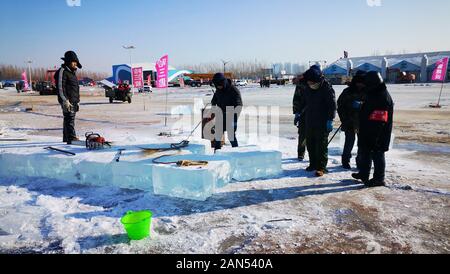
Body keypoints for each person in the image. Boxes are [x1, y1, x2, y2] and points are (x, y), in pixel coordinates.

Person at [352, 71, 394, 187]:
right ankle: (364, 174)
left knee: (377, 154)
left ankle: (379, 179)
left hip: (378, 133)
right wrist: (361, 105)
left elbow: (380, 120)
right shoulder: (374, 93)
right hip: (368, 129)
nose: (365, 86)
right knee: (365, 152)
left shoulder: (383, 97)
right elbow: (370, 107)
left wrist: (375, 136)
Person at [300, 66, 337, 177]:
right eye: (309, 82)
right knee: (310, 143)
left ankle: (321, 167)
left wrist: (330, 119)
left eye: (312, 82)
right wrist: (299, 114)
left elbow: (332, 106)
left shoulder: (327, 88)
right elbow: (305, 103)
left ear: (317, 80)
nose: (310, 84)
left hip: (322, 120)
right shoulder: (308, 88)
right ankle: (313, 164)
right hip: (310, 119)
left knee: (321, 145)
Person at [337, 70, 366, 169]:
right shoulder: (348, 91)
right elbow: (340, 105)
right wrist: (344, 118)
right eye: (358, 82)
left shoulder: (369, 91)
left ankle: (361, 161)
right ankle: (345, 161)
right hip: (349, 121)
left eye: (362, 83)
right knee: (349, 141)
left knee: (362, 143)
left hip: (363, 122)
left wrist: (361, 105)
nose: (360, 85)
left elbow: (373, 105)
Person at [55, 51, 82, 144]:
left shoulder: (72, 72)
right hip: (67, 100)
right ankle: (71, 137)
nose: (75, 64)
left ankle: (66, 138)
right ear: (67, 62)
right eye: (73, 62)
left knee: (69, 118)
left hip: (73, 100)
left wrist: (77, 100)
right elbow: (60, 87)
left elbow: (75, 88)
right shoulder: (63, 71)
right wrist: (65, 100)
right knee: (69, 118)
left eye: (76, 62)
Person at [211, 73, 243, 151]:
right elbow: (214, 100)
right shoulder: (218, 90)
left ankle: (236, 153)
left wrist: (234, 117)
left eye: (219, 85)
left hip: (231, 114)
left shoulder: (233, 90)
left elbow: (239, 105)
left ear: (223, 82)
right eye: (217, 86)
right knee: (218, 134)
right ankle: (217, 153)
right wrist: (213, 106)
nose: (218, 87)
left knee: (231, 136)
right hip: (221, 114)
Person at [292, 74, 307, 161]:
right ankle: (301, 154)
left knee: (312, 135)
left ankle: (313, 154)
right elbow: (296, 100)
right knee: (302, 135)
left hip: (314, 114)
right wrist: (297, 113)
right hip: (302, 114)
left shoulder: (317, 84)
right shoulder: (300, 86)